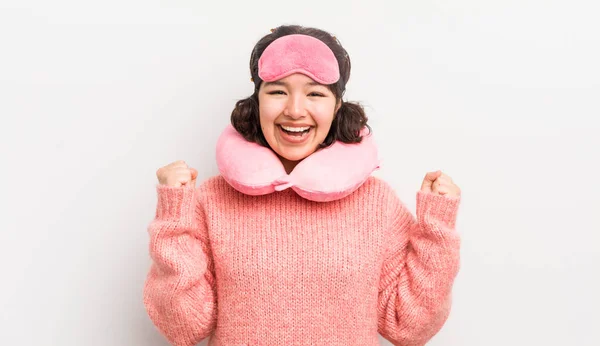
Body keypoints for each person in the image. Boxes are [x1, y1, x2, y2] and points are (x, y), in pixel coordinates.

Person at [143, 24, 462, 346]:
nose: (295, 111)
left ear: (337, 107)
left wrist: (437, 228)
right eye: (278, 91)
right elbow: (182, 327)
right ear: (257, 102)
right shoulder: (210, 200)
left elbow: (408, 328)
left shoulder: (377, 202)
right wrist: (174, 217)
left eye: (315, 93)